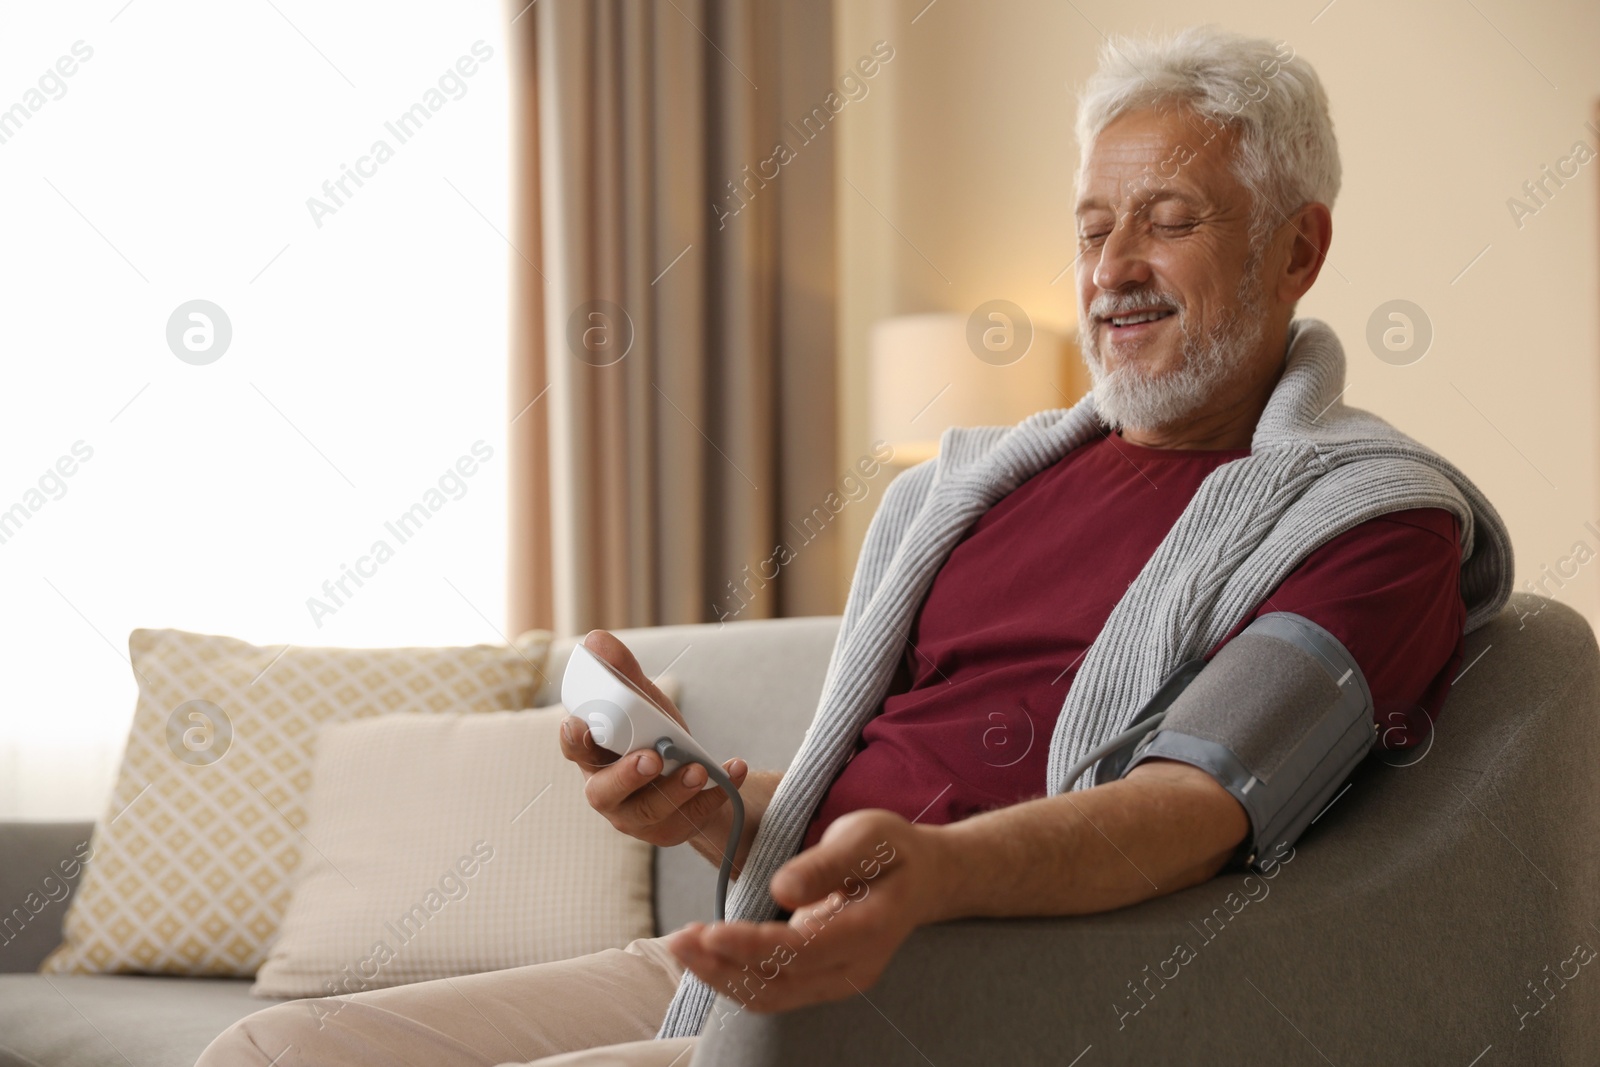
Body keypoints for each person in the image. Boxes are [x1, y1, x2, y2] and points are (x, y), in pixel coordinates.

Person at [197, 24, 1509, 1067]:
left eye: (1169, 220)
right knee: (269, 1048)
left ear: (1299, 248)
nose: (1114, 268)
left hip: (982, 989)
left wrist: (935, 879)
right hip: (777, 947)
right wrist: (708, 799)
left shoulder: (1370, 521)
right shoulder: (972, 488)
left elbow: (1196, 809)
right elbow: (864, 805)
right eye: (1092, 224)